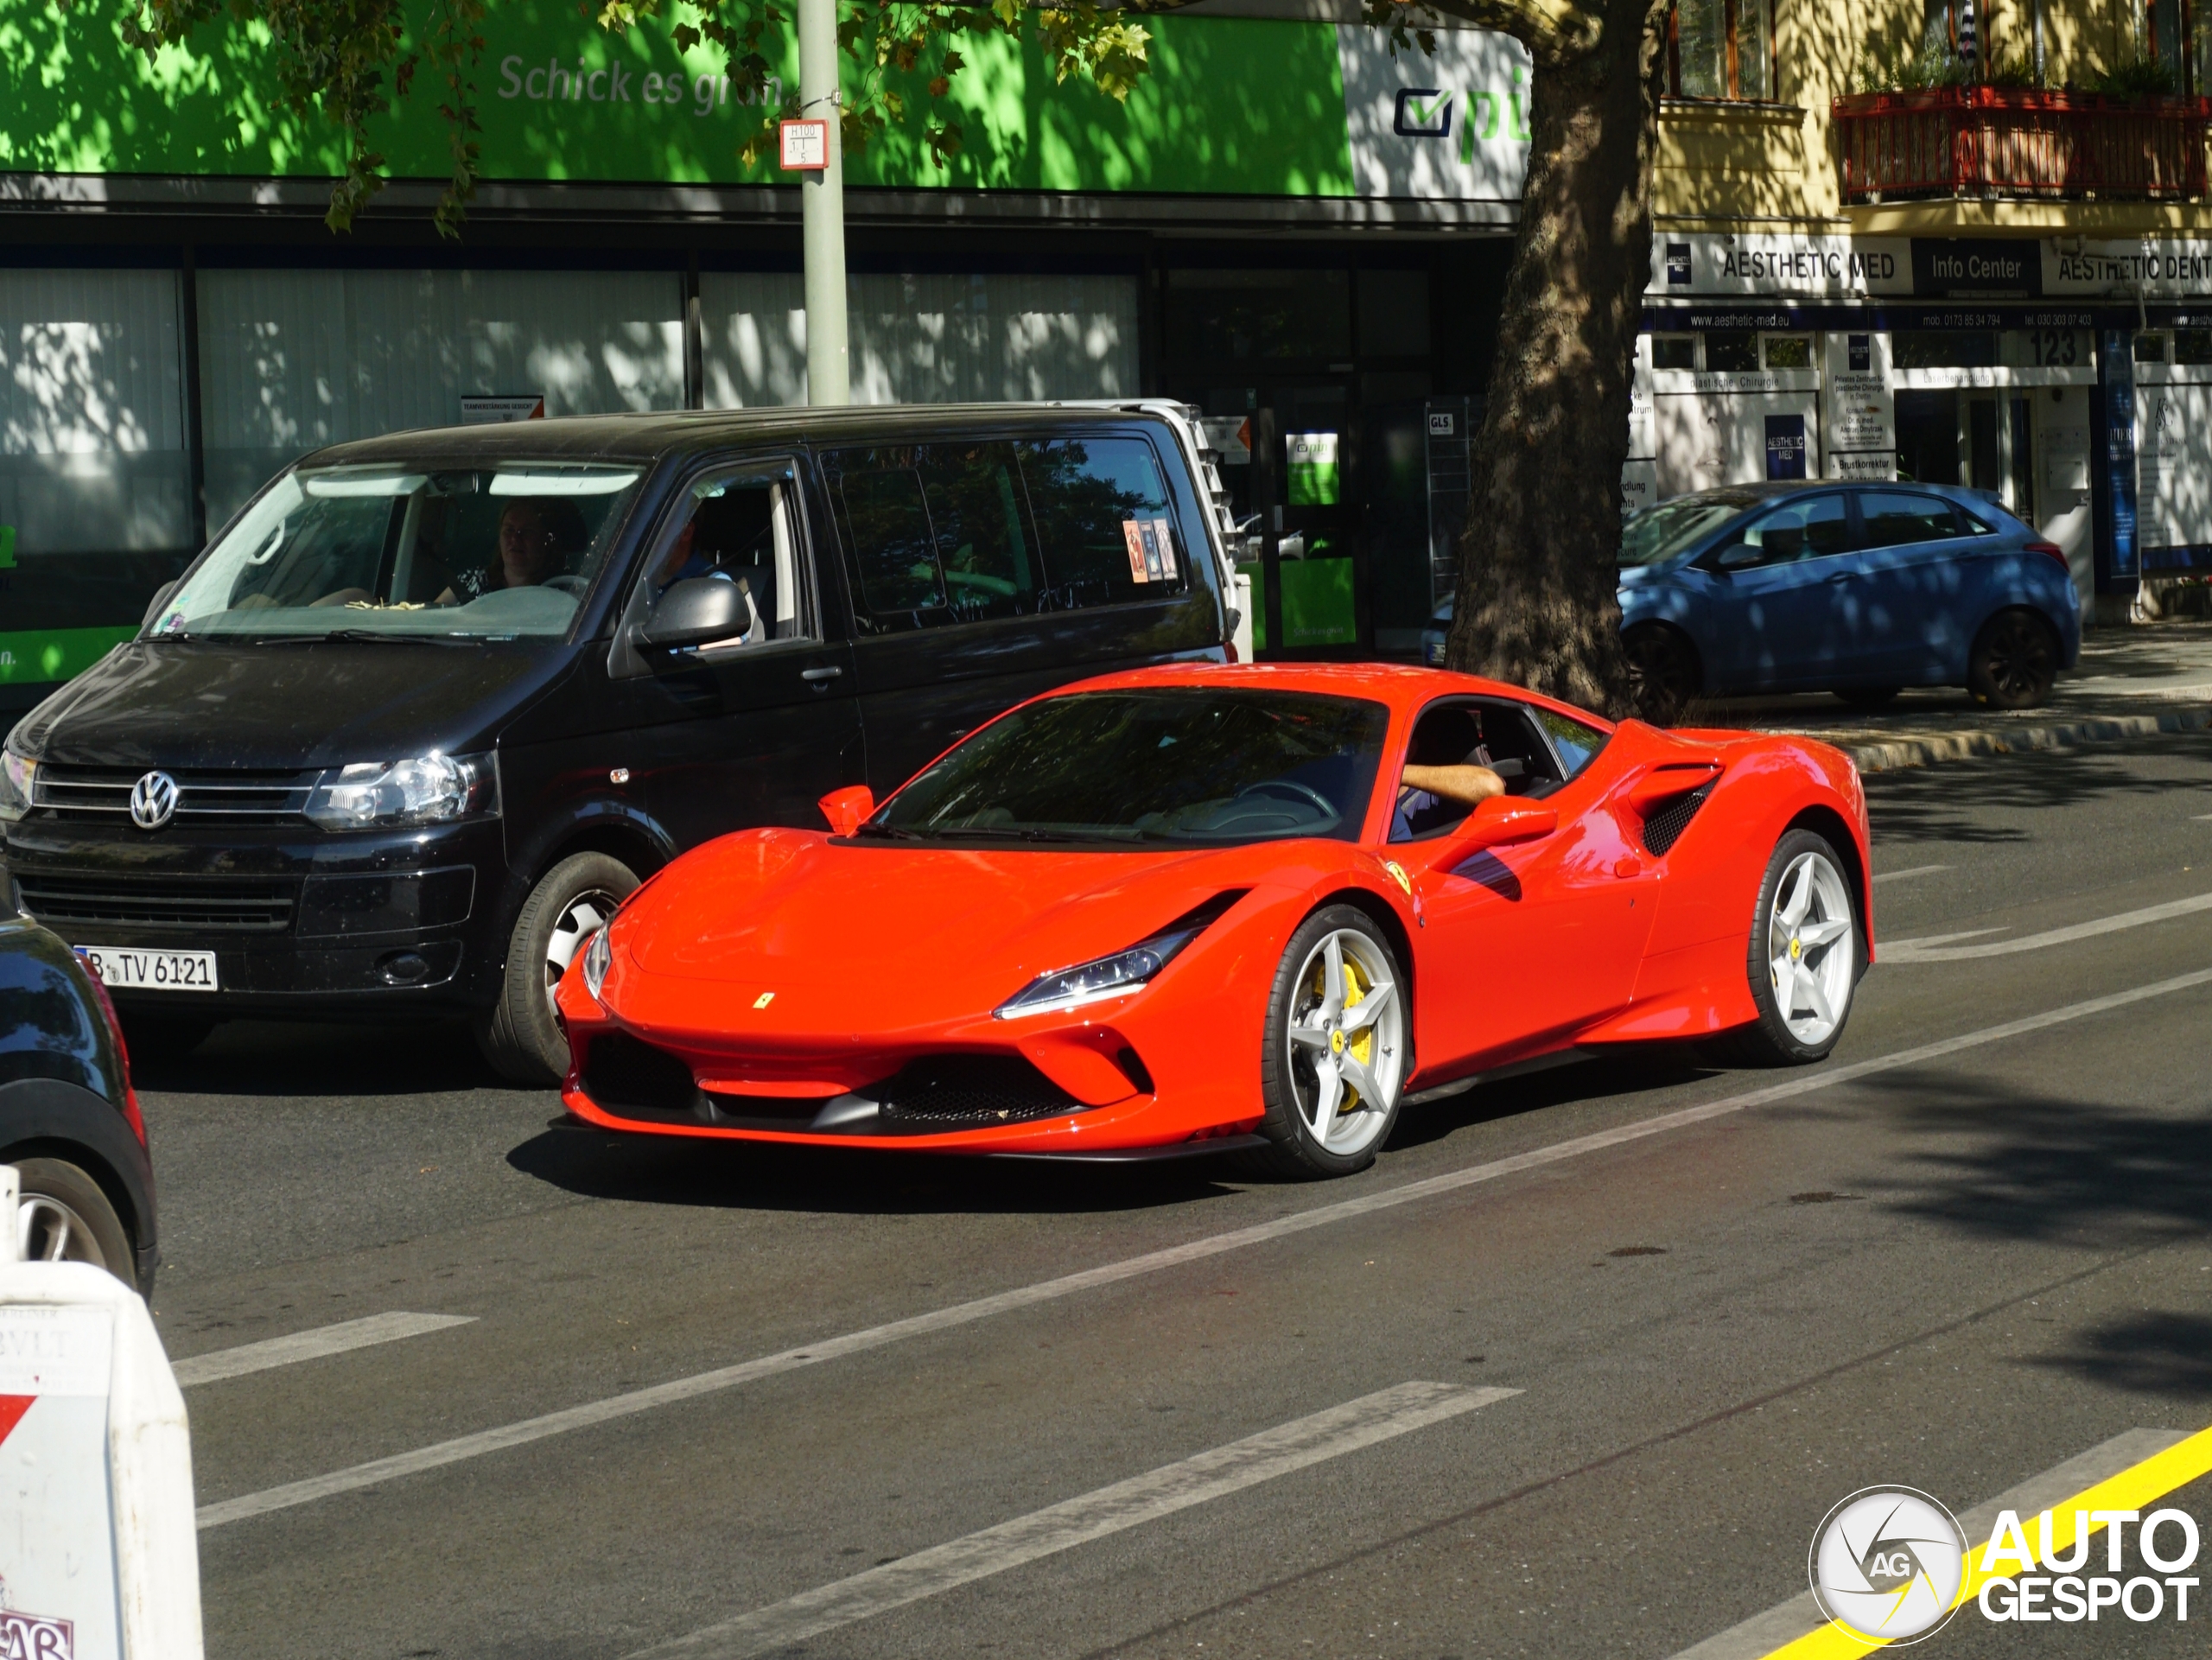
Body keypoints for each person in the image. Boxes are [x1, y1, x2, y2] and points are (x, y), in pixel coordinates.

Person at [1391, 707, 1505, 841]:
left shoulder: (1430, 796)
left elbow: (1492, 787)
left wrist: (1396, 773)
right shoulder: (1363, 790)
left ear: (1411, 750)